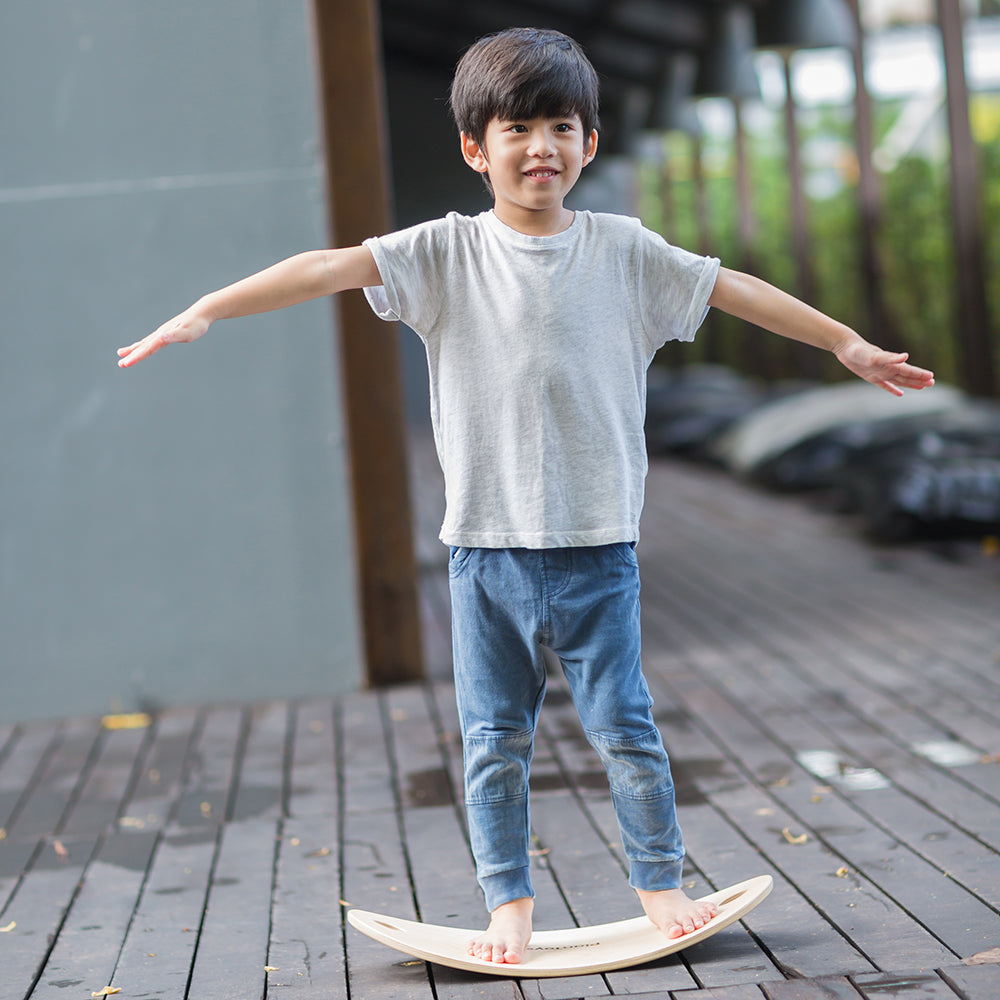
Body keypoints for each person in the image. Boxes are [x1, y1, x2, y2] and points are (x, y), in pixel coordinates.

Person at [118, 27, 934, 966]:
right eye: (517, 128)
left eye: (561, 125)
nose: (539, 145)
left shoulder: (626, 251)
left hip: (597, 548)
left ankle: (660, 884)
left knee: (627, 729)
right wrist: (207, 308)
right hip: (486, 551)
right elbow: (324, 266)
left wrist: (844, 343)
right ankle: (508, 904)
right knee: (494, 740)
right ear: (476, 148)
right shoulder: (443, 255)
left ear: (589, 143)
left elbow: (734, 288)